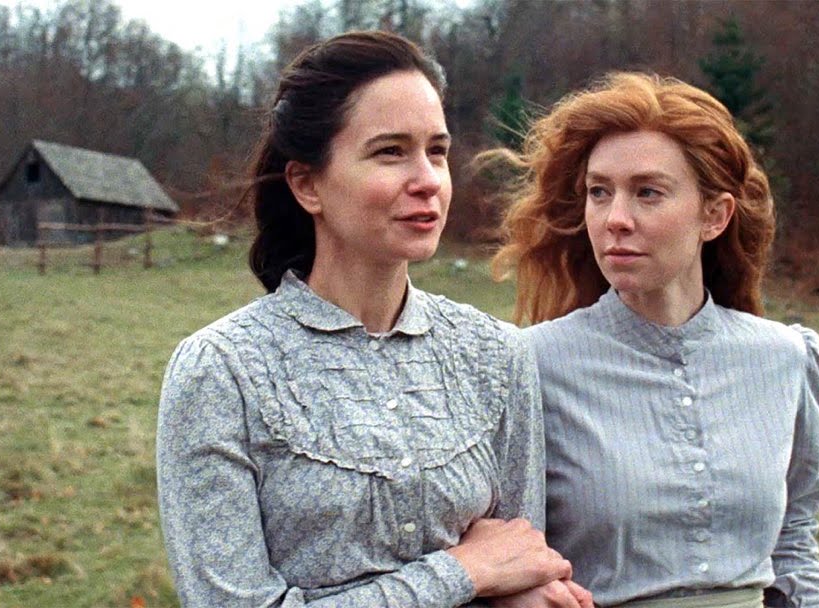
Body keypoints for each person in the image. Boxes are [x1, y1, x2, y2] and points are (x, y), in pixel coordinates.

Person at [156, 30, 591, 608]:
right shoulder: (222, 371)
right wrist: (461, 572)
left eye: (437, 151)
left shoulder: (497, 354)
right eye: (391, 152)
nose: (428, 180)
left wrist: (503, 582)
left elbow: (521, 569)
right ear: (307, 184)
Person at [489, 72, 819, 608]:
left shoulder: (784, 358)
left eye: (647, 193)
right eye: (599, 192)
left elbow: (793, 545)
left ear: (714, 216)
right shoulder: (531, 364)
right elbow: (510, 559)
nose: (615, 219)